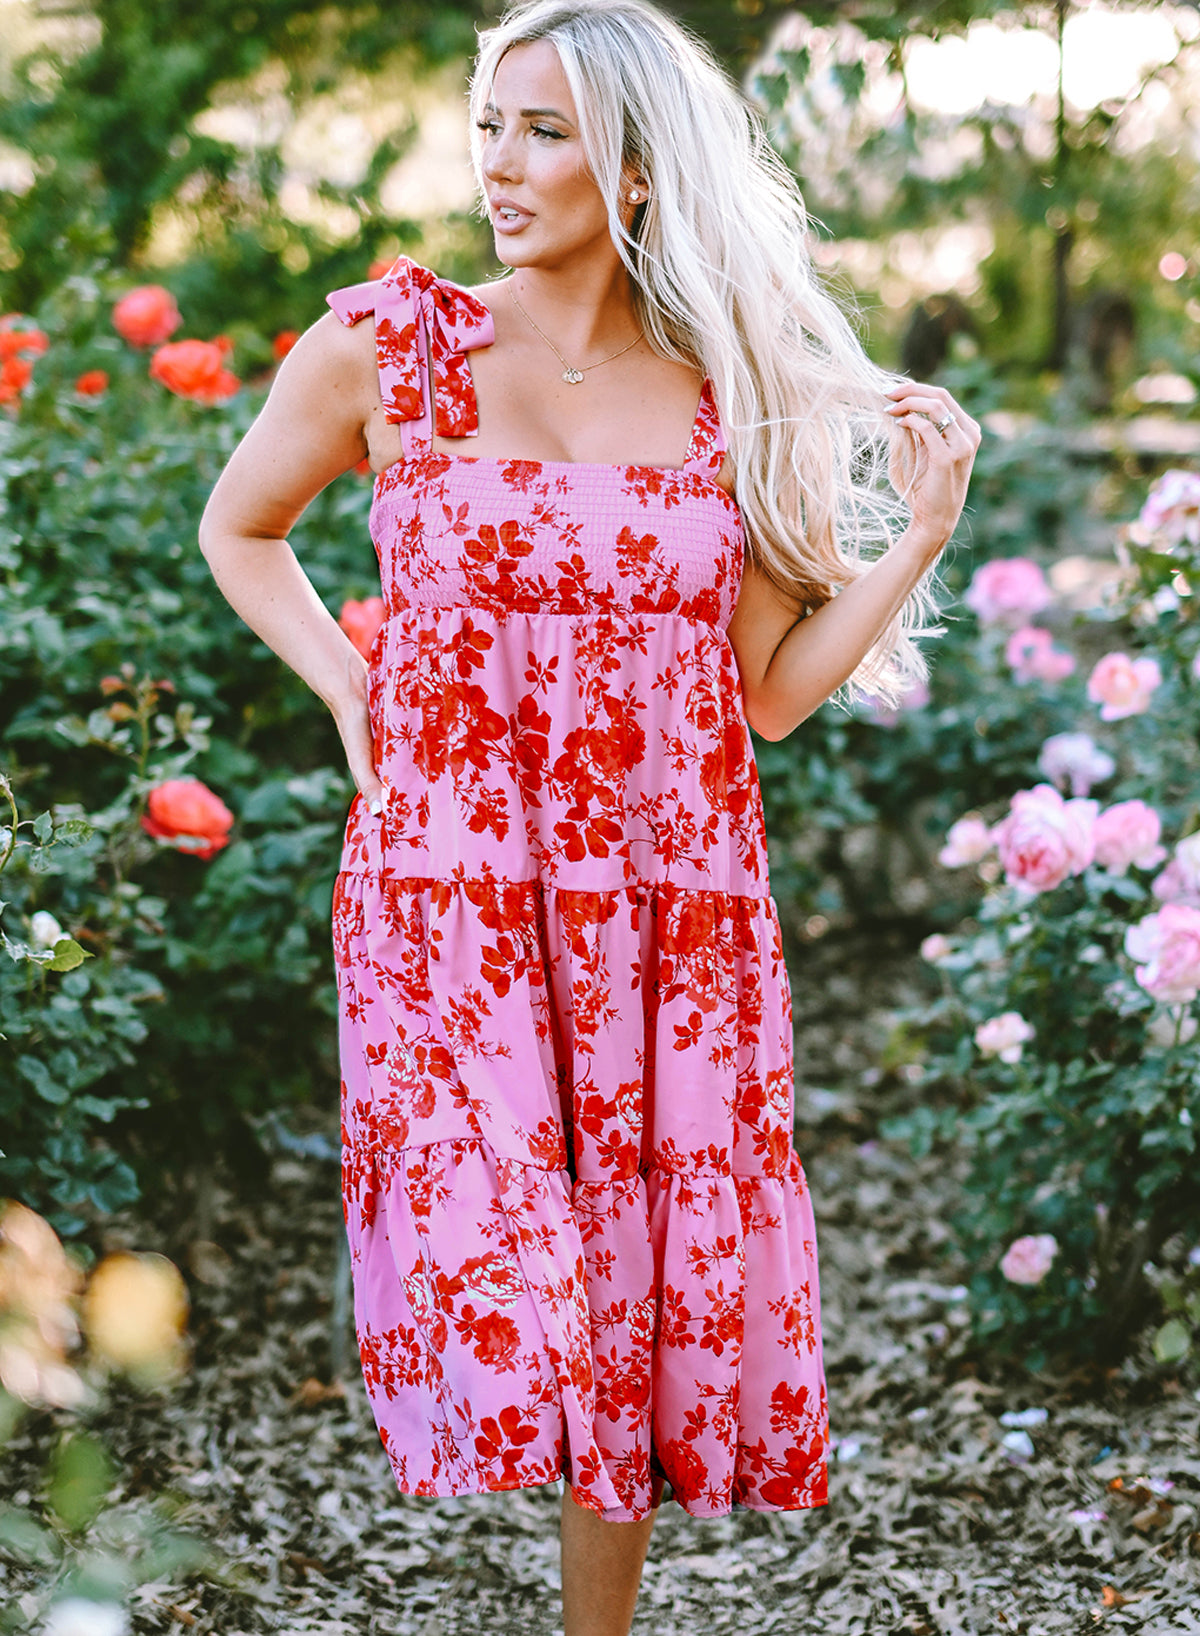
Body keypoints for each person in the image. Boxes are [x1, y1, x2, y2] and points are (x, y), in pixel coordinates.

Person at [199, 1, 980, 1631]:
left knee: (627, 1291)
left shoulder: (726, 387)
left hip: (668, 901)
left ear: (637, 167)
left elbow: (764, 692)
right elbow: (243, 529)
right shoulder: (387, 348)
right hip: (459, 896)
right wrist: (352, 686)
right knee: (524, 1261)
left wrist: (915, 541)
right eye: (491, 122)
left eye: (546, 131)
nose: (501, 163)